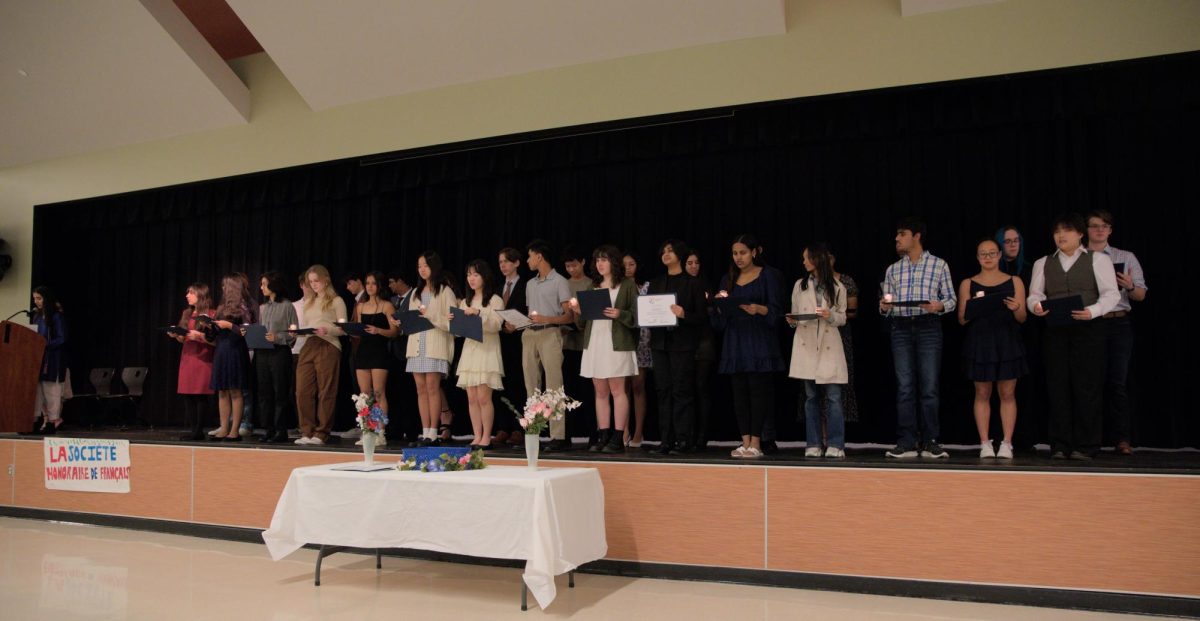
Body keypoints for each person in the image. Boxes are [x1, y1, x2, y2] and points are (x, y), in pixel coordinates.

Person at [1027, 213, 1121, 460]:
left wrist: (1092, 312)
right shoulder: (1043, 262)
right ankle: (1060, 444)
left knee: (1087, 387)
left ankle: (1086, 445)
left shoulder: (1097, 260)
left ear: (1080, 234)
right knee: (1058, 386)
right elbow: (1034, 294)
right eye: (1057, 231)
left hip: (1088, 330)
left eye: (1067, 230)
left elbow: (1111, 294)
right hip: (1056, 330)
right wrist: (1036, 307)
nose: (1061, 236)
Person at [880, 217, 956, 459]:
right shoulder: (893, 269)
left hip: (928, 326)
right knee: (904, 387)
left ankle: (931, 440)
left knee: (930, 387)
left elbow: (952, 299)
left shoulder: (939, 265)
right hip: (900, 326)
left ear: (916, 236)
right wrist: (883, 306)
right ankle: (907, 441)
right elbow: (887, 304)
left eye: (902, 234)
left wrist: (939, 306)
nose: (897, 239)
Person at [713, 234, 785, 459]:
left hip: (759, 341)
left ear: (754, 252)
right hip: (735, 342)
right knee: (740, 394)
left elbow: (777, 312)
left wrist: (759, 309)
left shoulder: (769, 276)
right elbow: (719, 322)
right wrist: (718, 305)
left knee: (758, 392)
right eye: (735, 253)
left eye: (743, 252)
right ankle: (745, 441)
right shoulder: (728, 279)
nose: (738, 257)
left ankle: (757, 442)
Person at [957, 239, 1028, 459]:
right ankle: (985, 442)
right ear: (978, 258)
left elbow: (1022, 317)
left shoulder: (1014, 281)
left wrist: (1016, 308)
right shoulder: (968, 283)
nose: (988, 257)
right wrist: (974, 309)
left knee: (1007, 393)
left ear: (999, 255)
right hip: (980, 342)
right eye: (983, 254)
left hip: (1007, 341)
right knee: (982, 392)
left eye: (992, 253)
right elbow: (961, 319)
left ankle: (1007, 442)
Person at [1086, 210, 1147, 455]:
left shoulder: (1125, 257)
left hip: (1119, 322)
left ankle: (1121, 439)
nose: (1100, 230)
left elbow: (1140, 294)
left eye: (1105, 226)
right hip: (1090, 322)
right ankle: (1090, 439)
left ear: (1110, 230)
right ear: (1086, 230)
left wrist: (1129, 285)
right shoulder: (1080, 258)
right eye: (1094, 226)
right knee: (1089, 382)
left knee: (1117, 383)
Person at [570, 245, 638, 454]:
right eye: (597, 260)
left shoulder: (626, 285)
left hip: (616, 343)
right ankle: (604, 434)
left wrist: (620, 314)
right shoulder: (593, 286)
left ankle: (618, 436)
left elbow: (637, 318)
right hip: (596, 342)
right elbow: (583, 324)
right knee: (600, 392)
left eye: (604, 260)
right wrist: (578, 311)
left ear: (613, 263)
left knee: (618, 390)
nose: (600, 264)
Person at [787, 244, 849, 459]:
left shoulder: (838, 287)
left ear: (816, 259)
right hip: (807, 344)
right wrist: (792, 321)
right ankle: (813, 443)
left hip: (829, 344)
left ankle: (836, 443)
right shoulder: (800, 285)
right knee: (810, 397)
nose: (803, 262)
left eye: (806, 258)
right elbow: (795, 313)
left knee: (833, 396)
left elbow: (842, 317)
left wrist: (829, 315)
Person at [647, 239, 708, 455]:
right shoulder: (656, 282)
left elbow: (701, 317)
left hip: (682, 344)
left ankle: (684, 440)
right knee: (663, 391)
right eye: (663, 251)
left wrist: (684, 315)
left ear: (680, 255)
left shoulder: (693, 283)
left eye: (670, 251)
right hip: (659, 343)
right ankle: (666, 440)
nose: (665, 254)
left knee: (682, 391)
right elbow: (648, 312)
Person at [521, 240, 576, 452]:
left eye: (529, 256)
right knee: (531, 384)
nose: (528, 260)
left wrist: (546, 318)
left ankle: (558, 435)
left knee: (553, 384)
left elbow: (568, 316)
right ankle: (533, 429)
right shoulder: (530, 284)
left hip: (550, 333)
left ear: (539, 257)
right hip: (529, 335)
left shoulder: (560, 281)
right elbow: (530, 313)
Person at [405, 251, 458, 447]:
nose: (422, 270)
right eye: (419, 266)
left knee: (432, 388)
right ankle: (425, 430)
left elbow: (452, 323)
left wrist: (430, 315)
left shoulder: (445, 291)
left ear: (434, 267)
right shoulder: (415, 293)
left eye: (425, 265)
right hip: (417, 346)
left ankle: (434, 431)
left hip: (435, 345)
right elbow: (411, 318)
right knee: (420, 389)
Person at [294, 265, 348, 445]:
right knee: (302, 390)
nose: (314, 285)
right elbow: (309, 324)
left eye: (316, 281)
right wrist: (298, 332)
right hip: (309, 344)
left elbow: (343, 329)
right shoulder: (309, 302)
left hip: (328, 344)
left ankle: (322, 432)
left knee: (326, 390)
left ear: (326, 280)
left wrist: (328, 329)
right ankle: (306, 431)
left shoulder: (336, 301)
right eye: (311, 282)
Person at [454, 260, 505, 449]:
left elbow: (496, 325)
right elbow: (459, 331)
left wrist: (478, 314)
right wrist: (455, 321)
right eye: (468, 275)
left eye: (475, 274)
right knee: (472, 398)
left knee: (484, 397)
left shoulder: (495, 300)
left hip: (487, 350)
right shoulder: (464, 301)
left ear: (484, 276)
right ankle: (477, 435)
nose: (471, 279)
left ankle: (486, 436)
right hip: (470, 350)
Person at [352, 271, 398, 446]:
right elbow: (357, 330)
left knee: (379, 393)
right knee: (364, 395)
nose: (370, 287)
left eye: (373, 283)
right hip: (363, 351)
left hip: (379, 351)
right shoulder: (360, 307)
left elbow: (395, 332)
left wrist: (378, 331)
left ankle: (380, 432)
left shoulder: (387, 306)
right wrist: (349, 329)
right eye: (367, 283)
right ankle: (367, 431)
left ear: (379, 285)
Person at [209, 274, 254, 442]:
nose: (222, 289)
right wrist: (209, 326)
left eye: (224, 286)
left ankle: (234, 430)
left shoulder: (243, 307)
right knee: (222, 390)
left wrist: (229, 325)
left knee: (235, 390)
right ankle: (224, 427)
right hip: (222, 349)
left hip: (236, 350)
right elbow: (214, 334)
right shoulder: (221, 307)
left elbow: (247, 331)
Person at [256, 272, 298, 443]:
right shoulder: (263, 308)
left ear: (274, 285)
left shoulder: (288, 306)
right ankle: (268, 429)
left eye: (264, 284)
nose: (261, 287)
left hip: (280, 352)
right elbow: (261, 330)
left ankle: (281, 430)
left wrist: (279, 337)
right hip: (263, 353)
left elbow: (293, 332)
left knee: (280, 391)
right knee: (265, 392)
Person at [560, 245, 595, 445]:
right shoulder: (563, 284)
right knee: (567, 392)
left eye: (574, 265)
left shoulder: (590, 284)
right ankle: (566, 434)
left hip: (585, 344)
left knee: (587, 391)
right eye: (567, 266)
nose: (571, 269)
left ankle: (593, 432)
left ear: (582, 262)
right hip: (566, 343)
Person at [172, 283, 216, 441]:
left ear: (200, 295)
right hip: (188, 357)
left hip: (203, 358)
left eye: (190, 293)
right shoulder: (187, 313)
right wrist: (177, 335)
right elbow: (182, 337)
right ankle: (193, 430)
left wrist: (199, 336)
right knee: (188, 395)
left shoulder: (211, 314)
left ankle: (199, 430)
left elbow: (215, 340)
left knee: (200, 395)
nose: (187, 295)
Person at [495, 247, 528, 448]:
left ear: (516, 263)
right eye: (500, 262)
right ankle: (502, 427)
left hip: (519, 340)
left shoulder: (525, 286)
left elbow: (529, 311)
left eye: (507, 261)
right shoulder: (498, 288)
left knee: (517, 383)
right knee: (500, 384)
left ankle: (519, 427)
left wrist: (517, 324)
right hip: (500, 341)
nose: (503, 265)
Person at [685, 251, 717, 450]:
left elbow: (713, 315)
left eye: (697, 262)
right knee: (685, 390)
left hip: (704, 342)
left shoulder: (707, 286)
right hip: (682, 344)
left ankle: (702, 435)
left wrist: (710, 302)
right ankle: (686, 434)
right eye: (689, 263)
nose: (694, 266)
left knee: (701, 388)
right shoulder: (679, 285)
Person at [622, 251, 652, 448]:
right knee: (621, 387)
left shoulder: (647, 287)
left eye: (631, 264)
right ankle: (623, 430)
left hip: (642, 340)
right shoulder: (618, 286)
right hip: (623, 339)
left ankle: (639, 432)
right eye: (624, 264)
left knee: (638, 386)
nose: (627, 268)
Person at [30, 286, 68, 434]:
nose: (36, 302)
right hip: (39, 359)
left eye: (39, 298)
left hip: (53, 359)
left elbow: (62, 338)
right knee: (38, 392)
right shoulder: (37, 316)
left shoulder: (56, 316)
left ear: (47, 298)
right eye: (34, 299)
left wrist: (44, 345)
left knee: (52, 391)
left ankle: (53, 421)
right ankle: (35, 420)